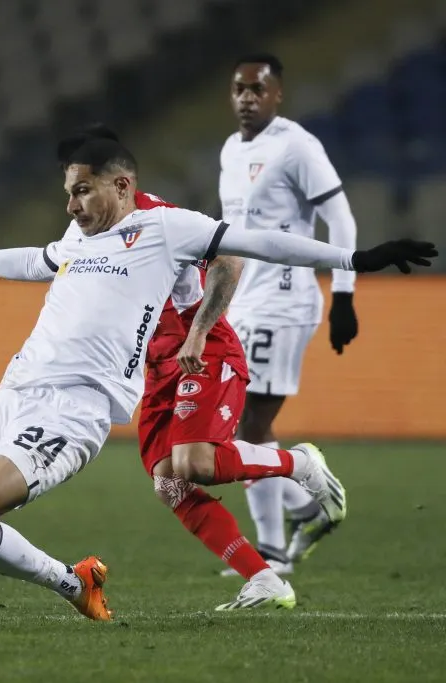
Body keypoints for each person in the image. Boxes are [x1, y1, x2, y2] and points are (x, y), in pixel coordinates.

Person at [0, 129, 434, 619]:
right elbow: (36, 260)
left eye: (81, 189)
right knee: (161, 485)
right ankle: (96, 583)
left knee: (183, 464)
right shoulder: (79, 236)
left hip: (114, 387)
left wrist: (354, 260)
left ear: (120, 183)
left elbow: (251, 245)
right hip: (29, 385)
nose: (70, 205)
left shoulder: (164, 225)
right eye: (67, 191)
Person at [220, 54, 361, 573]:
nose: (247, 98)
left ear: (278, 94)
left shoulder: (297, 145)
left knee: (248, 423)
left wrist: (344, 292)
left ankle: (277, 544)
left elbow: (339, 219)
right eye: (239, 89)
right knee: (237, 428)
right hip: (243, 303)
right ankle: (305, 509)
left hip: (284, 302)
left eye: (258, 89)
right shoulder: (232, 150)